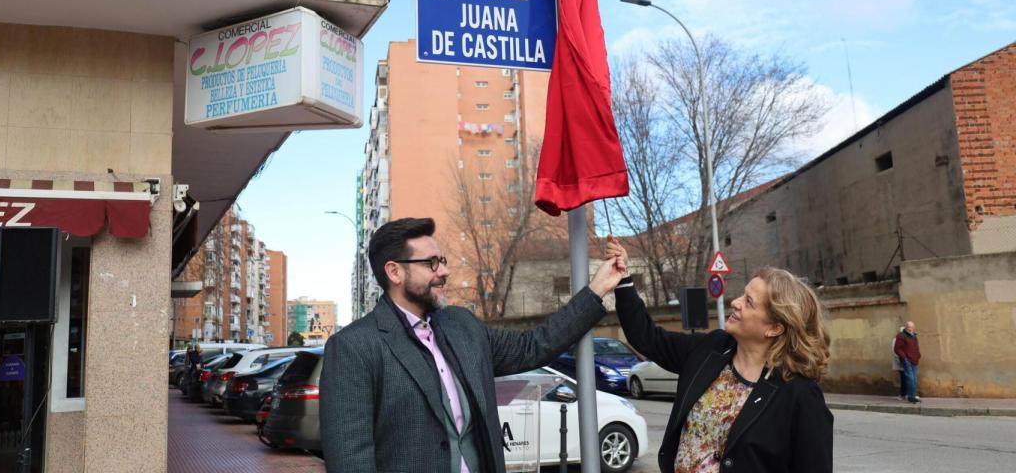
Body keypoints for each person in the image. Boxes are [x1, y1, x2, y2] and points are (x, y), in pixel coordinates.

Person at [320, 217, 626, 473]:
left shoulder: (461, 326)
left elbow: (535, 345)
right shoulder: (353, 347)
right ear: (394, 271)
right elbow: (351, 461)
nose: (444, 271)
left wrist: (598, 288)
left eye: (442, 261)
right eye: (431, 263)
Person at [610, 238, 833, 473]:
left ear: (775, 328)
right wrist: (624, 280)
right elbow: (647, 338)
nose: (735, 303)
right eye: (742, 295)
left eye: (749, 302)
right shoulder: (711, 349)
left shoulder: (799, 395)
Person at [894, 321, 921, 404]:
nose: (911, 329)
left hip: (914, 360)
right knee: (910, 379)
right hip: (907, 361)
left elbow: (916, 347)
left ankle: (912, 396)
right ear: (906, 327)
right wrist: (904, 358)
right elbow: (897, 348)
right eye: (909, 327)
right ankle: (911, 397)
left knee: (914, 379)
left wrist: (918, 355)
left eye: (912, 327)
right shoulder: (901, 336)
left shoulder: (914, 336)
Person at [890, 327, 905, 400]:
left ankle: (904, 394)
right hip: (901, 363)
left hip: (904, 363)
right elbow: (895, 352)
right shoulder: (896, 340)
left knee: (905, 379)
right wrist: (901, 361)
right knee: (904, 379)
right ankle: (902, 394)